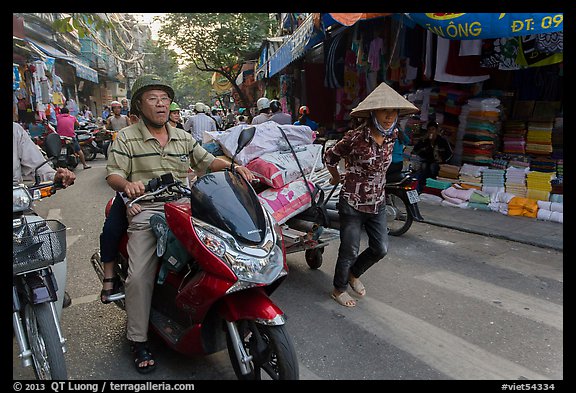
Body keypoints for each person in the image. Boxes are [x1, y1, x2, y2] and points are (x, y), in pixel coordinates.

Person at [105, 74, 255, 373]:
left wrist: (235, 167)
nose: (161, 104)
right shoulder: (126, 137)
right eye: (153, 99)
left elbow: (206, 161)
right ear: (139, 104)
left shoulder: (182, 136)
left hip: (185, 204)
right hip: (148, 209)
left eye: (164, 99)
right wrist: (129, 185)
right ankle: (138, 338)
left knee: (221, 248)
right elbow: (113, 175)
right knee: (138, 277)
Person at [324, 82, 419, 307]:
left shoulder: (392, 135)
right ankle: (339, 289)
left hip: (377, 201)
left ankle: (353, 274)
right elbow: (330, 157)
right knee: (349, 249)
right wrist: (337, 178)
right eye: (384, 111)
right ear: (373, 112)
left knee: (380, 249)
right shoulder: (355, 137)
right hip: (352, 201)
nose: (389, 116)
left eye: (393, 111)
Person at [13, 122, 76, 316]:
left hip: (18, 215)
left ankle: (53, 292)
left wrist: (55, 175)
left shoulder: (15, 130)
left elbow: (39, 167)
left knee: (50, 247)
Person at [412, 120, 453, 192]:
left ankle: (432, 185)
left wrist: (443, 160)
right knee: (423, 166)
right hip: (427, 160)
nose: (431, 132)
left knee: (433, 167)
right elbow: (416, 150)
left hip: (440, 162)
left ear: (436, 130)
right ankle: (423, 187)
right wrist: (423, 141)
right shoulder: (425, 141)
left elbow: (450, 153)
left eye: (433, 129)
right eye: (429, 130)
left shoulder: (442, 141)